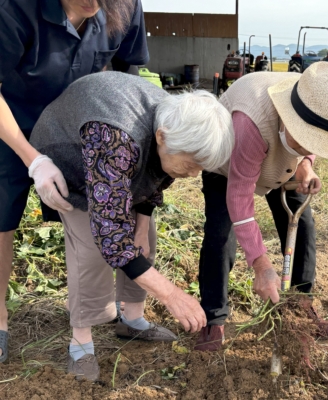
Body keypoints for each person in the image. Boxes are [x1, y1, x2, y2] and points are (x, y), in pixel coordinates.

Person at [29, 71, 234, 380]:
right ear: (162, 137)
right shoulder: (114, 136)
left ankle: (132, 320)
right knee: (91, 248)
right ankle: (81, 344)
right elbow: (110, 238)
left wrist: (141, 225)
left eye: (200, 167)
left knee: (143, 239)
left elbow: (156, 176)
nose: (193, 175)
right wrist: (172, 295)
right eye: (191, 165)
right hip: (68, 156)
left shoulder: (176, 121)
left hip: (120, 162)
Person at [0, 0, 149, 363]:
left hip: (80, 128)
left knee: (94, 211)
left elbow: (128, 75)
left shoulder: (126, 6)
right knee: (1, 220)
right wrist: (33, 160)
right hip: (13, 125)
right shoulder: (15, 9)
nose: (94, 3)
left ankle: (107, 314)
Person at [194, 62, 328, 351]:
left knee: (302, 226)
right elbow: (240, 199)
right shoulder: (250, 121)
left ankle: (301, 304)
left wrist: (306, 168)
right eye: (305, 140)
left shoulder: (319, 98)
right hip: (228, 163)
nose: (311, 143)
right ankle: (213, 319)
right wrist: (260, 264)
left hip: (282, 163)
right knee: (220, 235)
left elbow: (314, 138)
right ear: (291, 122)